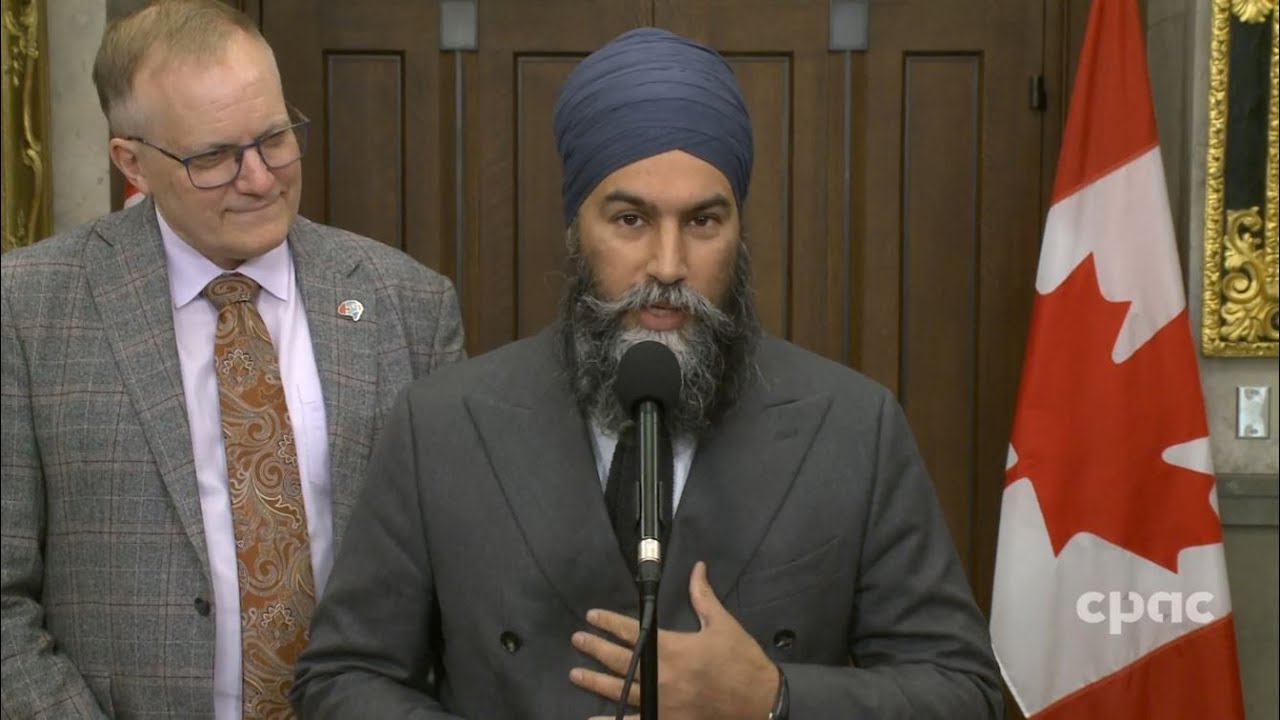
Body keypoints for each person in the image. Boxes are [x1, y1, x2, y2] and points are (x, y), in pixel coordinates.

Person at [291, 27, 1001, 719]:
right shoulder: (441, 425)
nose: (667, 265)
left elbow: (963, 692)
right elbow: (343, 678)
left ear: (739, 232)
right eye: (631, 220)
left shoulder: (853, 426)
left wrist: (773, 699)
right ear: (577, 229)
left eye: (702, 222)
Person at [0, 1, 465, 717]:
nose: (259, 178)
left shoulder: (407, 306)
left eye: (275, 138)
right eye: (213, 157)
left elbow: (453, 580)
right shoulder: (29, 311)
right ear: (132, 162)